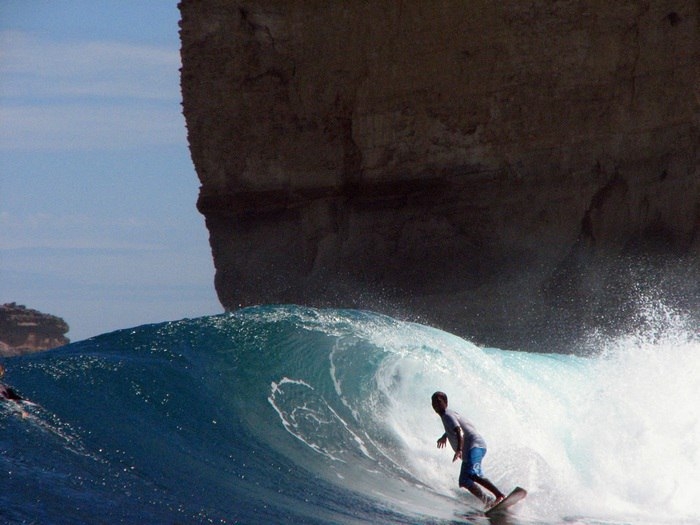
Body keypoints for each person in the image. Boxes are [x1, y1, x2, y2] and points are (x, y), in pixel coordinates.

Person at [431, 391, 505, 508]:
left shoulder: (447, 415)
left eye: (439, 402)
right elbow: (454, 428)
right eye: (434, 402)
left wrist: (459, 450)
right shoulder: (447, 415)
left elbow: (458, 430)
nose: (436, 405)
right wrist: (444, 436)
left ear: (446, 403)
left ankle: (499, 496)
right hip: (470, 448)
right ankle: (488, 501)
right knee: (464, 480)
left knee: (473, 473)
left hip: (475, 445)